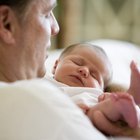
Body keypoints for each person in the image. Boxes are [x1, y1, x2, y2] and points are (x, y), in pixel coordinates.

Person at [0, 0, 138, 139]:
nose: (56, 28)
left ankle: (131, 99)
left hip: (95, 109)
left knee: (110, 107)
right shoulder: (34, 96)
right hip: (88, 115)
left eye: (95, 76)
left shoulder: (94, 94)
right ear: (6, 24)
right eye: (46, 14)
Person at [47, 42, 140, 134]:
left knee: (106, 107)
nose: (84, 71)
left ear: (101, 89)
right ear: (56, 65)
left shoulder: (93, 94)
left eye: (94, 75)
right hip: (57, 115)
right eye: (77, 63)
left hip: (87, 115)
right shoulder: (44, 79)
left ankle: (129, 99)